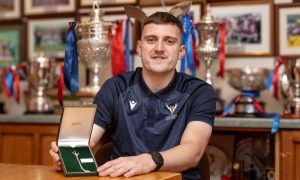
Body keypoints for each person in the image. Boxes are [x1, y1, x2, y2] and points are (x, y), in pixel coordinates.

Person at [50, 11, 216, 180]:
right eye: (151, 40)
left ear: (181, 52)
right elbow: (86, 139)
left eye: (169, 41)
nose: (159, 48)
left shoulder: (200, 92)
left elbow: (193, 151)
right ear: (139, 47)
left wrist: (149, 161)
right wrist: (68, 155)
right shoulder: (115, 87)